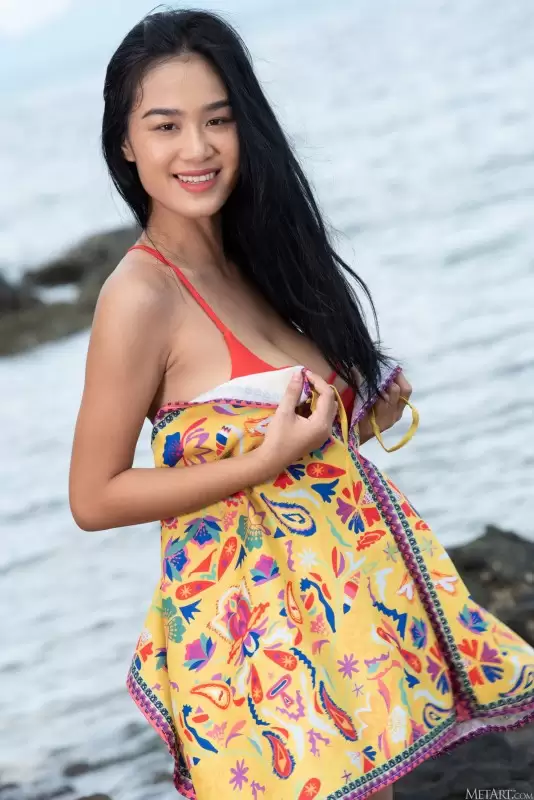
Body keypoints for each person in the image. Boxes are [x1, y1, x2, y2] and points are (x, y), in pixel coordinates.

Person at [68, 9, 534, 800]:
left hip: (347, 626)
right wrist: (267, 459)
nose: (197, 148)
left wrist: (362, 417)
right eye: (166, 125)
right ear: (125, 142)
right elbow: (94, 496)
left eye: (218, 119)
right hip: (261, 659)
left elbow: (295, 456)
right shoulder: (139, 295)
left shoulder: (259, 264)